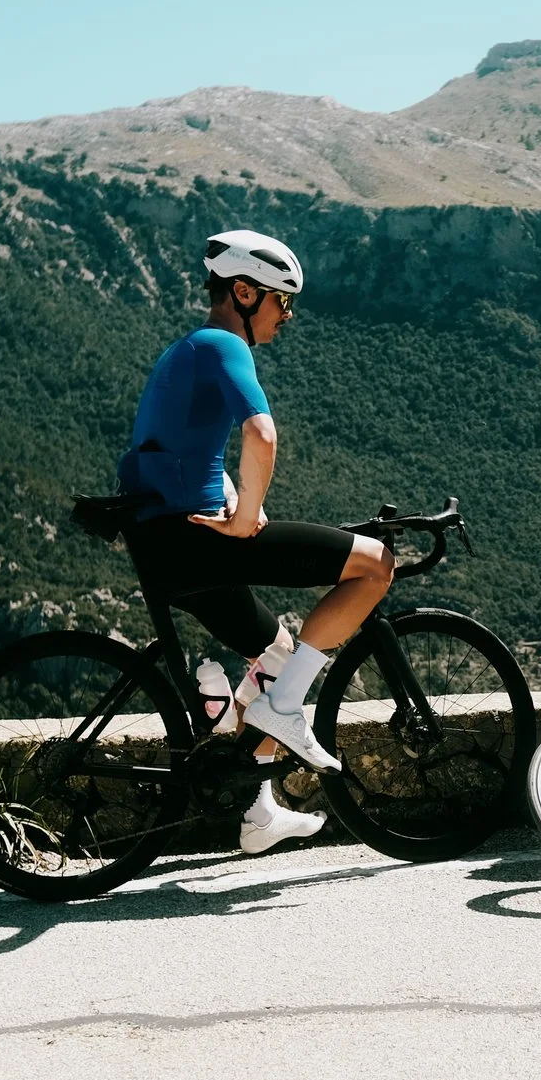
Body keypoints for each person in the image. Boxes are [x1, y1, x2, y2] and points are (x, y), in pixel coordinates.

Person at [117, 229, 393, 853]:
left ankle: (257, 812)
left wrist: (240, 500)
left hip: (169, 542)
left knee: (277, 653)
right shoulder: (223, 344)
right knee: (376, 564)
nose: (286, 315)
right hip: (198, 544)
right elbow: (261, 435)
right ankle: (281, 710)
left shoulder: (189, 349)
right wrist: (245, 518)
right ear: (243, 292)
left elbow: (185, 448)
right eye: (281, 300)